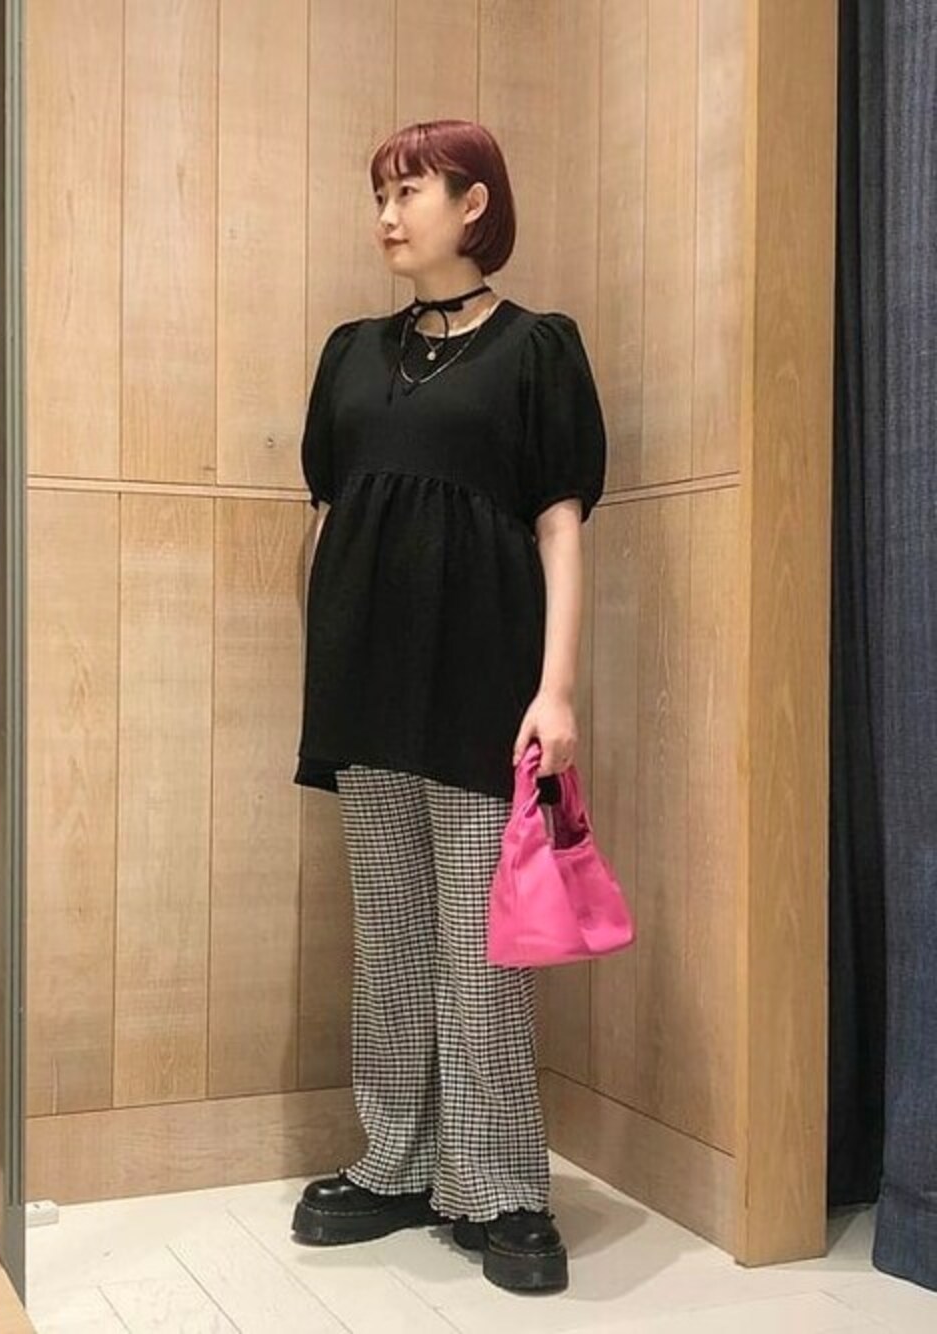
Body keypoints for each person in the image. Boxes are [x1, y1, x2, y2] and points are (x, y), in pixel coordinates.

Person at [289, 120, 606, 1295]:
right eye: (379, 192)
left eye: (409, 190)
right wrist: (319, 653)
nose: (387, 213)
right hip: (364, 682)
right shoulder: (349, 353)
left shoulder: (537, 348)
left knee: (481, 944)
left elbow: (559, 525)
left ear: (474, 204)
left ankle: (501, 1183)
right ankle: (399, 1160)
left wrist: (555, 688)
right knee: (389, 935)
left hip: (482, 680)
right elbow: (326, 514)